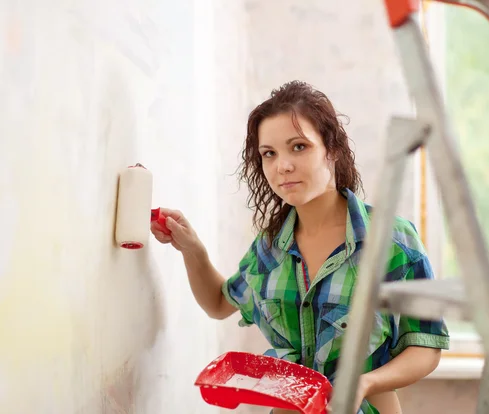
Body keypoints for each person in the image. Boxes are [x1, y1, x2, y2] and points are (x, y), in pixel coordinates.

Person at [151, 80, 450, 414]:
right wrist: (192, 250)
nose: (283, 166)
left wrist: (365, 382)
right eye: (269, 153)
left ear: (332, 148)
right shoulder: (270, 248)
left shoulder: (393, 241)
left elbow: (426, 347)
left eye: (298, 147)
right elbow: (220, 303)